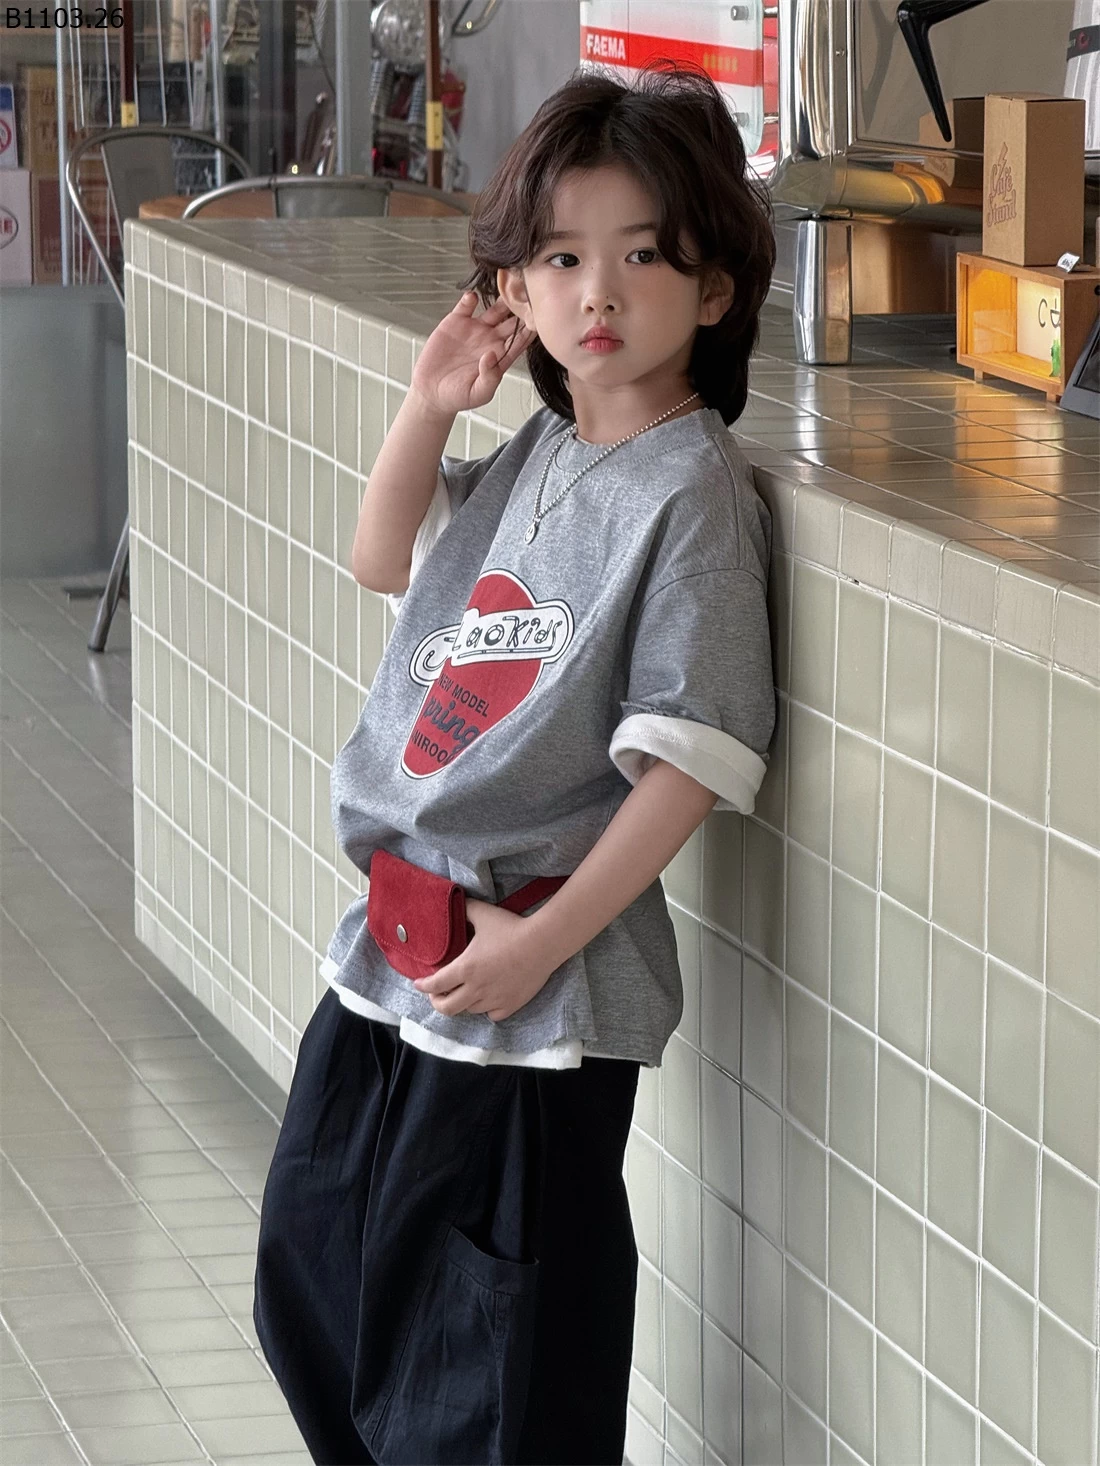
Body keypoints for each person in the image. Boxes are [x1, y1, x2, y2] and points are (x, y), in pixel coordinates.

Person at [253, 58, 777, 1466]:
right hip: (398, 951)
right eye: (560, 258)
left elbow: (690, 762)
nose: (597, 291)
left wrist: (542, 944)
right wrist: (432, 400)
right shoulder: (541, 450)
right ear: (516, 289)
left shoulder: (692, 492)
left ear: (713, 290)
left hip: (533, 990)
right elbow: (383, 557)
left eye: (642, 255)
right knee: (318, 1283)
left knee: (491, 1374)